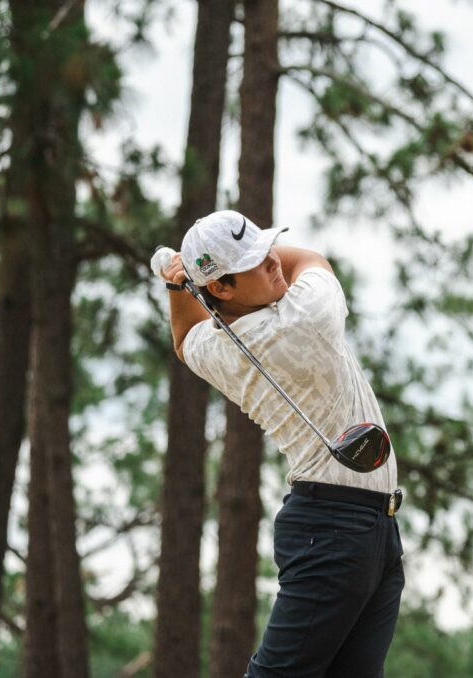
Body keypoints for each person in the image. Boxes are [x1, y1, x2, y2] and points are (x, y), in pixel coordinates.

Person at [158, 209, 403, 677]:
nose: (272, 260)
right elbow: (308, 258)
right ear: (222, 289)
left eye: (267, 247)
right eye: (254, 260)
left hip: (363, 527)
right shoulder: (306, 314)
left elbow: (186, 333)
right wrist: (189, 276)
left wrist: (178, 285)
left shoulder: (219, 349)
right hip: (334, 529)